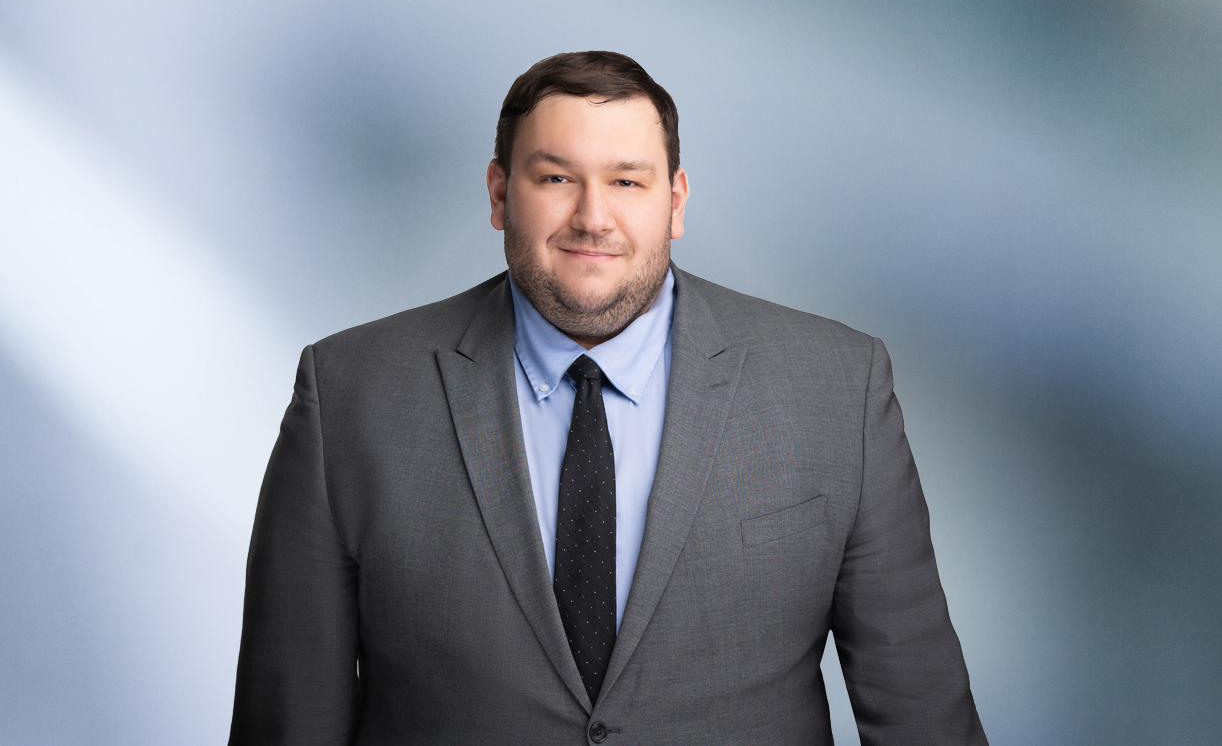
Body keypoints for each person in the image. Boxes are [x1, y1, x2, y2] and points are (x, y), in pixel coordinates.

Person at [229, 50, 986, 745]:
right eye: (557, 178)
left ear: (676, 201)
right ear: (499, 193)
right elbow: (286, 725)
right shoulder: (349, 394)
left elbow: (924, 717)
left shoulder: (836, 388)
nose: (594, 217)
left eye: (627, 181)